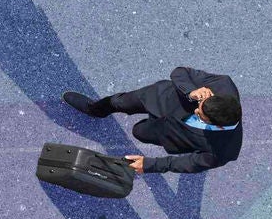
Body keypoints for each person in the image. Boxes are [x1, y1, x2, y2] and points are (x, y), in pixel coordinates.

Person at [64, 67, 243, 176]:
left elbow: (189, 164)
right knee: (119, 102)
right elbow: (180, 72)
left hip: (168, 133)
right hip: (158, 98)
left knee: (138, 131)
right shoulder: (224, 84)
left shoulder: (224, 151)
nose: (196, 109)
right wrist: (191, 91)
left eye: (201, 115)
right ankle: (94, 110)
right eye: (200, 104)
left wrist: (149, 165)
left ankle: (149, 126)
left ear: (218, 125)